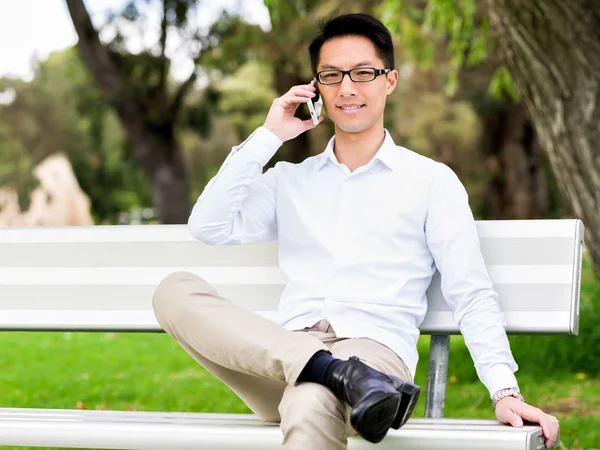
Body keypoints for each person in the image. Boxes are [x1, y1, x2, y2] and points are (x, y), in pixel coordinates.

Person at [152, 12, 560, 449]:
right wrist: (270, 134)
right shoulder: (290, 180)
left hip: (374, 358)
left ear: (390, 80)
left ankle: (340, 375)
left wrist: (504, 391)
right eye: (331, 75)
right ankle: (332, 372)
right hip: (282, 359)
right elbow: (208, 225)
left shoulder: (430, 181)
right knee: (173, 291)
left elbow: (471, 292)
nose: (347, 87)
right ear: (316, 89)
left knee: (311, 400)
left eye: (363, 73)